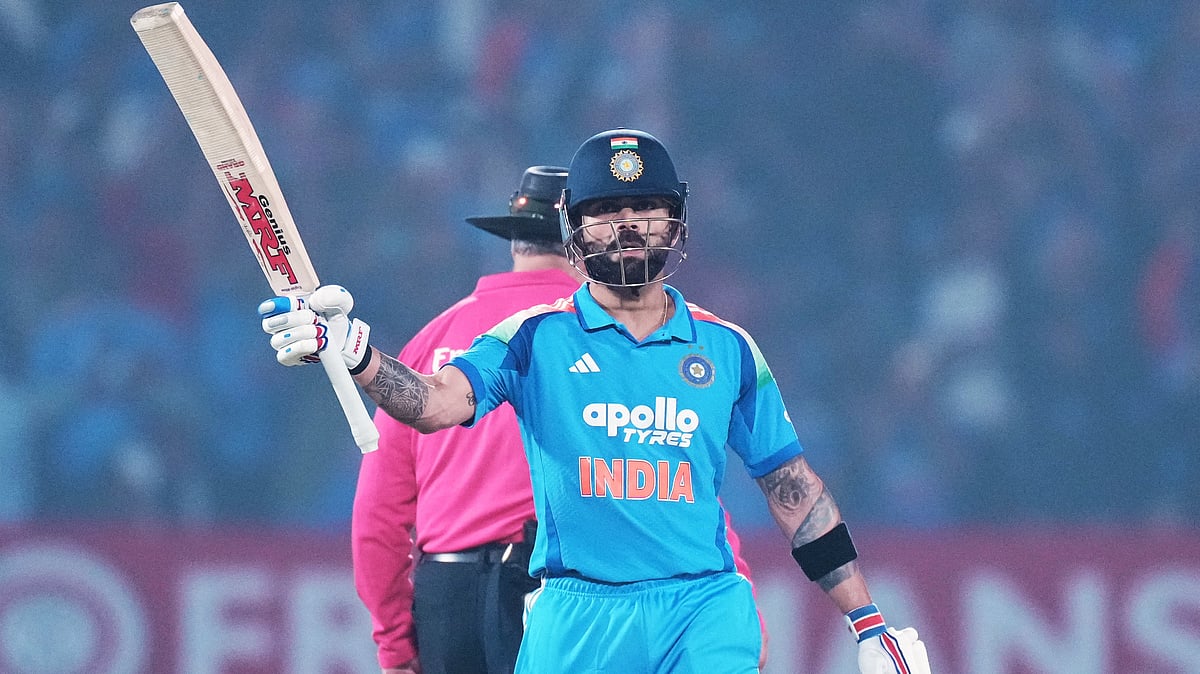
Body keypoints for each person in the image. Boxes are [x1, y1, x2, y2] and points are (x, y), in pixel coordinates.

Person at [261, 129, 930, 673]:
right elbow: (435, 404)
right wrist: (357, 357)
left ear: (676, 222)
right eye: (605, 211)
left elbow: (793, 489)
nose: (627, 226)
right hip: (575, 613)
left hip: (701, 604)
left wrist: (868, 623)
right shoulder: (531, 339)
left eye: (647, 208)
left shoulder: (728, 350)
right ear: (574, 230)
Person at [350, 165, 768, 674]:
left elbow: (377, 516)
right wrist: (734, 594)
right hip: (553, 594)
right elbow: (671, 480)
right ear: (583, 243)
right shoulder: (596, 333)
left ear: (513, 244)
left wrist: (396, 643)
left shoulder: (428, 341)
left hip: (448, 599)